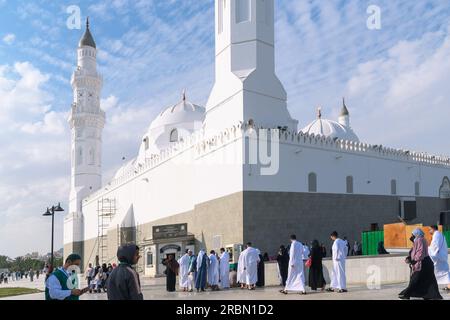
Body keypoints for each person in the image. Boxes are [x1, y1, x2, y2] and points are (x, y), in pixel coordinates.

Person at [399, 228, 443, 300]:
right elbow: (415, 251)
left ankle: (406, 294)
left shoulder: (420, 240)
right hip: (426, 262)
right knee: (428, 280)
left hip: (423, 263)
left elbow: (420, 252)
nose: (412, 236)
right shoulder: (420, 240)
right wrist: (410, 258)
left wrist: (414, 260)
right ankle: (430, 295)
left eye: (413, 234)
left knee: (415, 279)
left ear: (417, 234)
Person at [428, 225, 450, 291]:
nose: (429, 231)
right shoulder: (440, 234)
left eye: (430, 229)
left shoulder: (436, 235)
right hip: (441, 256)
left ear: (433, 229)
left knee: (437, 272)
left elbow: (435, 246)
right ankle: (449, 286)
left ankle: (431, 287)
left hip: (438, 257)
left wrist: (428, 249)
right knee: (445, 271)